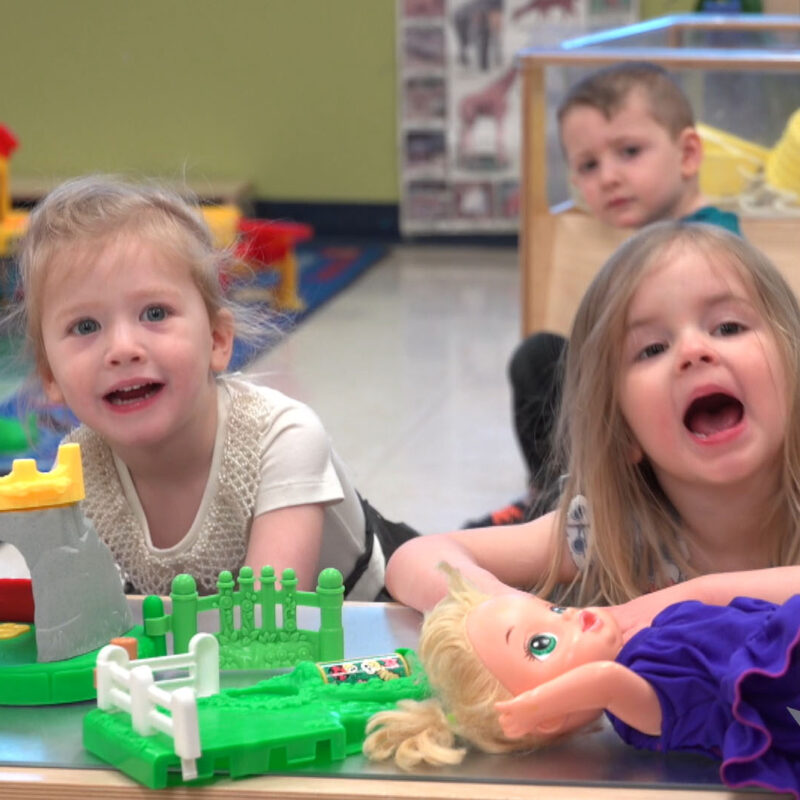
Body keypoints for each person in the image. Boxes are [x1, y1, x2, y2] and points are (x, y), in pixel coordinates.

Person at [14, 175, 418, 599]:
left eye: (154, 313)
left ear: (217, 341)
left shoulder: (281, 438)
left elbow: (268, 624)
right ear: (51, 378)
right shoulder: (79, 470)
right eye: (86, 326)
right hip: (211, 640)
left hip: (383, 610)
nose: (123, 349)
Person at [386, 221, 800, 627]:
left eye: (728, 327)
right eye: (652, 349)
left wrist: (694, 597)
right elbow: (417, 557)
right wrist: (528, 619)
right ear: (622, 431)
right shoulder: (615, 532)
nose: (693, 350)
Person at [466, 61, 741, 528]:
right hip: (639, 425)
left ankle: (563, 506)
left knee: (541, 361)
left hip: (672, 432)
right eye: (589, 165)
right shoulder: (652, 245)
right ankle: (554, 497)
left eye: (629, 151)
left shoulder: (706, 249)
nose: (608, 176)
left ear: (689, 154)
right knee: (542, 358)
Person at [363, 566, 800, 799]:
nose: (573, 613)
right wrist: (532, 706)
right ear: (549, 711)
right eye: (541, 644)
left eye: (553, 609)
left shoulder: (644, 645)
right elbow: (604, 681)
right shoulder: (643, 703)